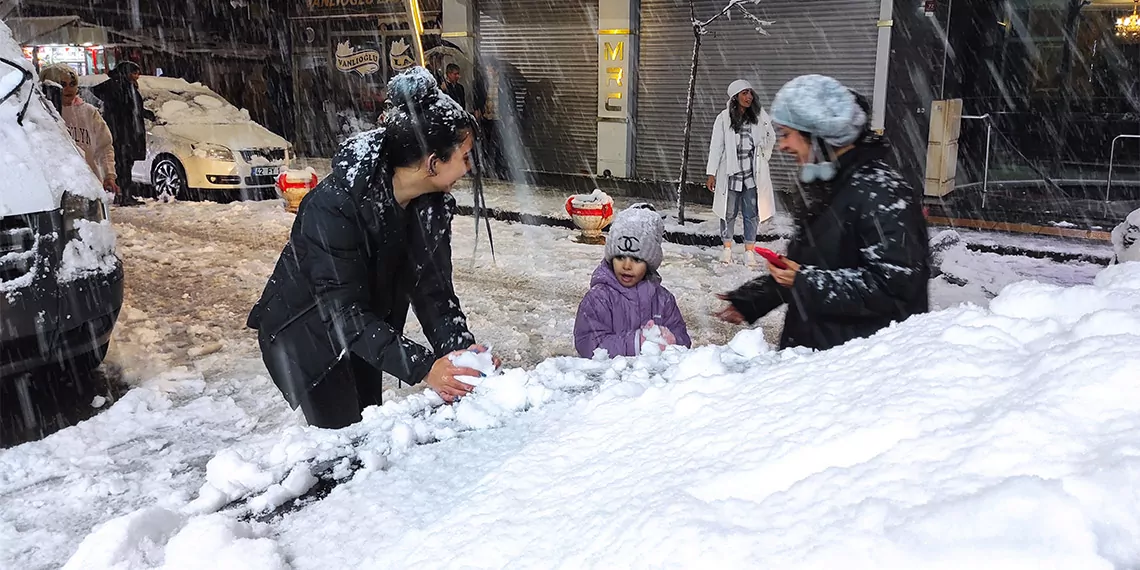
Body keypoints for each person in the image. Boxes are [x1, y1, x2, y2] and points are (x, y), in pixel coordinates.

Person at [247, 68, 498, 429]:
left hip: (365, 323)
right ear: (432, 163)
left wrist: (459, 354)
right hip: (306, 334)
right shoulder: (333, 205)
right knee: (344, 438)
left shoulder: (431, 205)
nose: (469, 167)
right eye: (464, 156)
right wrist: (426, 367)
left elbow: (434, 293)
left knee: (368, 424)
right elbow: (342, 313)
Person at [715, 74, 929, 351]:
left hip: (855, 365)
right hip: (821, 354)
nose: (782, 145)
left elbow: (895, 288)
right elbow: (810, 263)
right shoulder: (828, 185)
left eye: (787, 134)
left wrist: (805, 281)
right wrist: (753, 299)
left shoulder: (882, 193)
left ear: (818, 135)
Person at [574, 205, 692, 358]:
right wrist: (636, 343)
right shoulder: (598, 299)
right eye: (620, 257)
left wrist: (672, 340)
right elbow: (588, 344)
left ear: (649, 262)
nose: (627, 266)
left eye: (636, 259)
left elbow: (683, 342)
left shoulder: (663, 300)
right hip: (609, 379)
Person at [706, 79, 777, 266]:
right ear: (735, 97)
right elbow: (716, 146)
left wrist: (764, 156)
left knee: (751, 213)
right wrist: (711, 173)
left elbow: (771, 137)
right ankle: (727, 248)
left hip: (752, 174)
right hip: (730, 173)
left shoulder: (759, 116)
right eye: (744, 93)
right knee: (728, 212)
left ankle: (749, 251)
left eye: (750, 93)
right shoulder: (723, 118)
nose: (749, 97)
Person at [39, 65, 118, 195]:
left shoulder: (88, 112)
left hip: (89, 186)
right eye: (62, 84)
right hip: (54, 188)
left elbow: (104, 146)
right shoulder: (41, 114)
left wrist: (108, 175)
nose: (68, 89)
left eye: (72, 83)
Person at [92, 61, 153, 207]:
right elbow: (126, 107)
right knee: (123, 164)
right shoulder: (117, 86)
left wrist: (144, 113)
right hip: (122, 132)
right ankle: (123, 194)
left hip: (129, 131)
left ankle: (124, 194)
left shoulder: (126, 86)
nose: (137, 76)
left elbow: (133, 108)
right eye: (134, 72)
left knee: (126, 163)